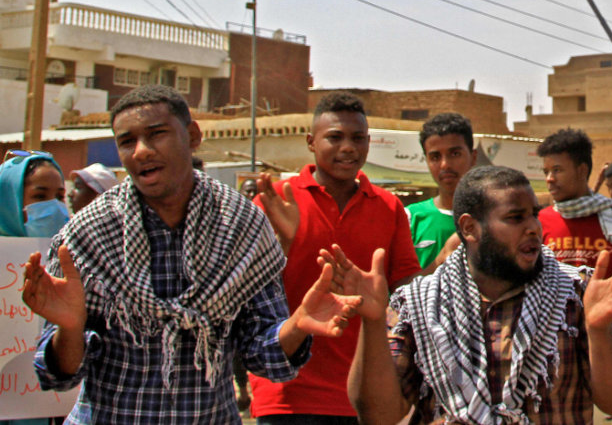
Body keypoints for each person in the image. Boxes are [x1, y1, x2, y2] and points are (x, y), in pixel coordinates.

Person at [22, 84, 360, 424]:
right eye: (127, 141)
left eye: (156, 135)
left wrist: (297, 324)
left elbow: (264, 356)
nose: (141, 151)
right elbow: (59, 375)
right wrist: (69, 328)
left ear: (193, 136)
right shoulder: (86, 236)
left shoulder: (241, 225)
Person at [344, 165, 612, 424]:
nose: (534, 227)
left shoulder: (577, 295)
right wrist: (371, 324)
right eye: (515, 218)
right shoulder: (419, 304)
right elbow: (377, 415)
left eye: (535, 214)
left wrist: (599, 330)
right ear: (469, 228)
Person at [249, 91, 421, 425]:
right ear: (311, 142)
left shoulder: (388, 207)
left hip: (363, 395)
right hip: (286, 395)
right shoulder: (276, 201)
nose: (348, 148)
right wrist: (283, 246)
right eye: (335, 138)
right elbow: (250, 294)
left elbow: (406, 291)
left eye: (358, 138)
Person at [538, 128, 612, 270]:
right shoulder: (540, 222)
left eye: (557, 170)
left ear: (582, 170)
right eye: (546, 172)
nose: (549, 179)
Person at [408, 112, 476, 271]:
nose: (445, 164)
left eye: (455, 154)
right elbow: (401, 290)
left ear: (473, 157)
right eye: (435, 157)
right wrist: (439, 262)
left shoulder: (493, 219)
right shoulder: (409, 219)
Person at [0, 150, 69, 238]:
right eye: (40, 196)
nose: (55, 207)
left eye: (59, 197)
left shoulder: (70, 249)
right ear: (9, 202)